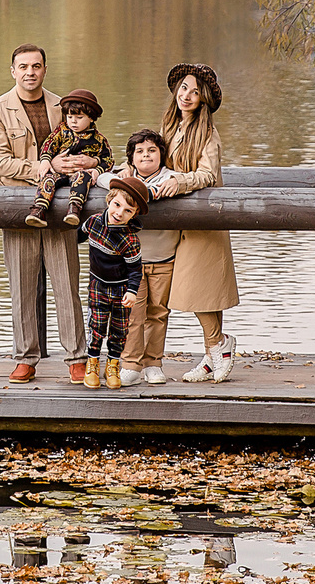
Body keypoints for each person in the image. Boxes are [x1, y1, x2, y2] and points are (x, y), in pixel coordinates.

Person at [0, 43, 92, 383]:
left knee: (67, 285)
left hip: (60, 209)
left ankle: (76, 358)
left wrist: (85, 162)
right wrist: (44, 168)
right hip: (18, 208)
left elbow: (88, 143)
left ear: (45, 69)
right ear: (13, 71)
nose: (30, 72)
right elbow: (1, 164)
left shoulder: (64, 107)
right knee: (22, 287)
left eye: (37, 66)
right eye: (24, 66)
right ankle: (26, 358)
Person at [156, 63, 239, 382]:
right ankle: (210, 356)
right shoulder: (170, 126)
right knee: (202, 292)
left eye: (194, 91)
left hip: (203, 220)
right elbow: (155, 158)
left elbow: (206, 175)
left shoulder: (208, 135)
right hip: (180, 221)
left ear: (204, 99)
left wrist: (180, 181)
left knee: (198, 289)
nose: (187, 95)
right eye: (183, 88)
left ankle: (219, 344)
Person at [80, 168, 152, 389]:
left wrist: (132, 291)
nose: (119, 213)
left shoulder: (130, 240)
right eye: (117, 205)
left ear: (134, 215)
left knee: (119, 330)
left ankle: (112, 365)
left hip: (121, 290)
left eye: (128, 211)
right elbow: (77, 236)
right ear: (109, 200)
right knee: (97, 325)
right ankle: (92, 363)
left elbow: (135, 270)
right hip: (98, 285)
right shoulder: (93, 223)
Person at [117, 128, 178, 384]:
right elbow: (101, 181)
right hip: (132, 262)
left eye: (152, 150)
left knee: (158, 313)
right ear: (131, 158)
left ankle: (153, 362)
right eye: (139, 152)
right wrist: (121, 172)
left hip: (164, 257)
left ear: (161, 155)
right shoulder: (123, 180)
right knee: (134, 314)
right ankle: (130, 363)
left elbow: (180, 184)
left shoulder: (173, 178)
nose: (145, 155)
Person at [25, 89, 110, 227]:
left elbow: (108, 159)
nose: (73, 122)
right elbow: (48, 145)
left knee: (82, 178)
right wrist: (46, 160)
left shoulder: (98, 139)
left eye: (79, 118)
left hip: (80, 172)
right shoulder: (62, 131)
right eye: (70, 117)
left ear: (91, 118)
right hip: (59, 172)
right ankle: (38, 209)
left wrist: (97, 169)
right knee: (48, 179)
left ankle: (74, 209)